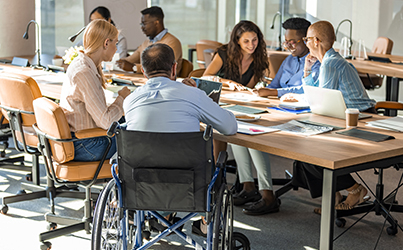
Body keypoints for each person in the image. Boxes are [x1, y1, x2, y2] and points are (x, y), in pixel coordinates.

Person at [123, 43, 237, 236]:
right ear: (174, 67)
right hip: (190, 186)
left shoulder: (130, 101)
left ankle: (163, 217)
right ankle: (204, 223)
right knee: (216, 161)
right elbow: (229, 127)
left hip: (141, 186)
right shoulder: (193, 95)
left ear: (143, 71)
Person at [293, 20, 375, 214]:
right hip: (344, 116)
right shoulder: (328, 61)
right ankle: (335, 195)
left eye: (307, 39)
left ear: (316, 40)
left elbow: (320, 102)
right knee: (304, 149)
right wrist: (307, 70)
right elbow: (319, 96)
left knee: (309, 150)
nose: (305, 43)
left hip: (359, 119)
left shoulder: (331, 64)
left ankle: (355, 189)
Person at [204, 20, 279, 216]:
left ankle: (258, 190)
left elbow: (252, 87)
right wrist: (229, 83)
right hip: (222, 105)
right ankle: (249, 187)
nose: (251, 45)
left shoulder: (259, 59)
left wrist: (251, 91)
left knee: (247, 137)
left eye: (254, 40)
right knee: (238, 134)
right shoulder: (223, 53)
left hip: (243, 106)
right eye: (246, 41)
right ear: (237, 41)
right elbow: (206, 77)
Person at [60, 19, 131, 162]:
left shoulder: (82, 63)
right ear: (106, 43)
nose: (116, 49)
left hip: (82, 140)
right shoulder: (84, 73)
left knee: (131, 122)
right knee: (140, 140)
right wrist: (122, 98)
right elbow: (106, 122)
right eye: (115, 44)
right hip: (86, 145)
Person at [257, 17, 320, 98]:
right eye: (286, 42)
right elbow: (274, 85)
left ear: (306, 40)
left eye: (292, 42)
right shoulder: (289, 60)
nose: (288, 47)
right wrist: (260, 92)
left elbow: (305, 90)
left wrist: (274, 92)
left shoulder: (316, 62)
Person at [116, 6, 183, 75]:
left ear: (156, 23)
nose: (142, 27)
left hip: (164, 83)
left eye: (144, 23)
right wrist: (117, 62)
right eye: (141, 24)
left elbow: (161, 68)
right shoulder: (146, 42)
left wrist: (134, 67)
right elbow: (129, 60)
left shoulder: (172, 42)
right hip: (146, 81)